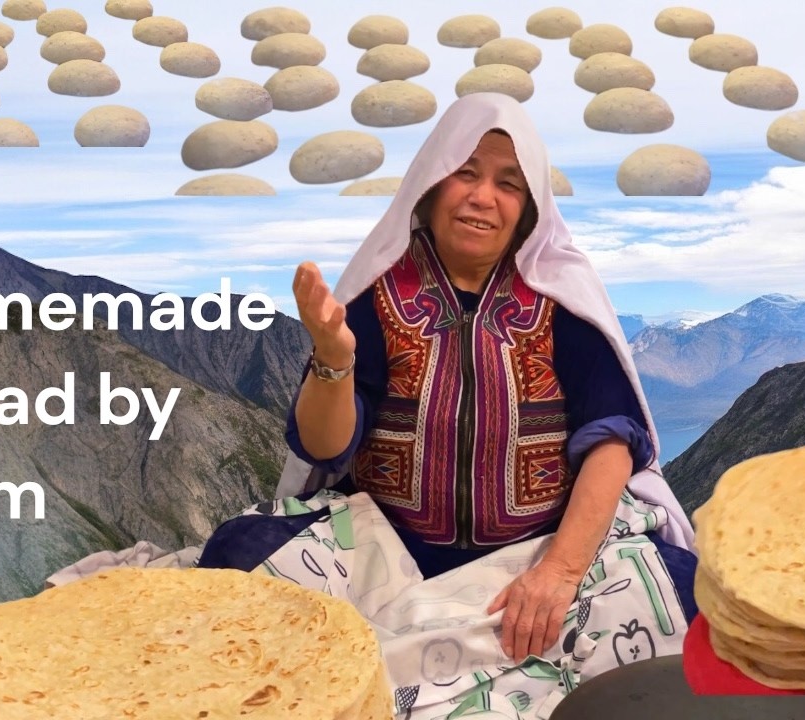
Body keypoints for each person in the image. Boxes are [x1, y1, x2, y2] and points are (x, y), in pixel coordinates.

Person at [204, 93, 698, 717]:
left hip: (538, 552)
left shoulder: (560, 306)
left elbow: (613, 441)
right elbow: (325, 447)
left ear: (528, 210)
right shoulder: (377, 299)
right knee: (237, 553)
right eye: (465, 171)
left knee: (682, 593)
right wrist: (334, 356)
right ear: (432, 184)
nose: (482, 196)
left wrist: (561, 573)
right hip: (387, 551)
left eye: (508, 183)